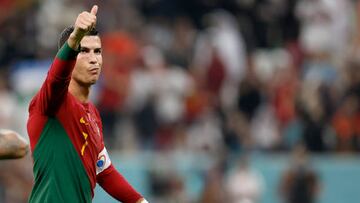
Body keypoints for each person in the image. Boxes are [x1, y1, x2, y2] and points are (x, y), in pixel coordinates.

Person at [26, 5, 147, 203]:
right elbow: (56, 79)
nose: (93, 59)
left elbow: (104, 170)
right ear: (71, 56)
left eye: (97, 51)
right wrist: (74, 38)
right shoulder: (50, 103)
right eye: (84, 51)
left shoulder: (93, 114)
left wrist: (140, 201)